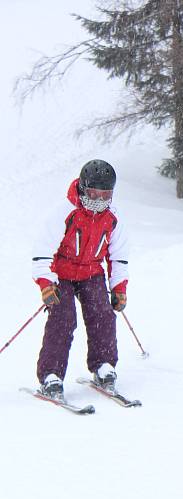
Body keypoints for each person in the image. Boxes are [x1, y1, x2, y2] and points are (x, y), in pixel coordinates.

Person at [31, 159, 130, 400]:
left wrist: (119, 287)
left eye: (106, 194)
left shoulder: (112, 218)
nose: (99, 200)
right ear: (84, 188)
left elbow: (119, 257)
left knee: (102, 314)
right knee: (63, 318)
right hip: (61, 273)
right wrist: (46, 283)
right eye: (94, 193)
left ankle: (104, 365)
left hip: (91, 272)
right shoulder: (65, 212)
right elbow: (42, 251)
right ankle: (51, 375)